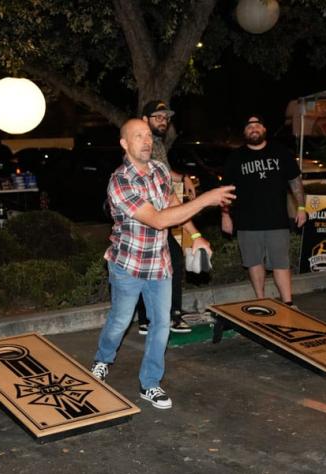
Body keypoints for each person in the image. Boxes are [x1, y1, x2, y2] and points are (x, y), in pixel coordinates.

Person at [91, 118, 236, 409]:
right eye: (138, 136)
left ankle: (150, 383)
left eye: (148, 136)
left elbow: (171, 206)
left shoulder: (158, 170)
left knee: (161, 325)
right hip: (128, 265)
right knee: (120, 321)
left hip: (159, 264)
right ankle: (103, 359)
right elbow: (157, 220)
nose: (146, 141)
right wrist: (206, 198)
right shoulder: (120, 182)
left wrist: (194, 236)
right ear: (124, 144)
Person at [221, 114, 307, 306]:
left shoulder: (281, 152)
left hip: (277, 220)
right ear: (244, 132)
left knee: (281, 263)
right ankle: (261, 300)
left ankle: (288, 302)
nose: (254, 128)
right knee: (253, 262)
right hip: (246, 221)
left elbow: (295, 182)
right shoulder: (236, 158)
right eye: (249, 126)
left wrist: (301, 207)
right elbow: (225, 191)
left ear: (264, 130)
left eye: (257, 125)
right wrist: (225, 215)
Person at [135, 100, 197, 335]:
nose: (163, 121)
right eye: (157, 117)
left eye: (166, 118)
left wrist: (182, 178)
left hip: (159, 211)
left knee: (167, 261)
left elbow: (162, 171)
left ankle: (157, 317)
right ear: (145, 119)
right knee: (160, 262)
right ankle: (161, 317)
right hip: (145, 214)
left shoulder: (157, 143)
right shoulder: (140, 141)